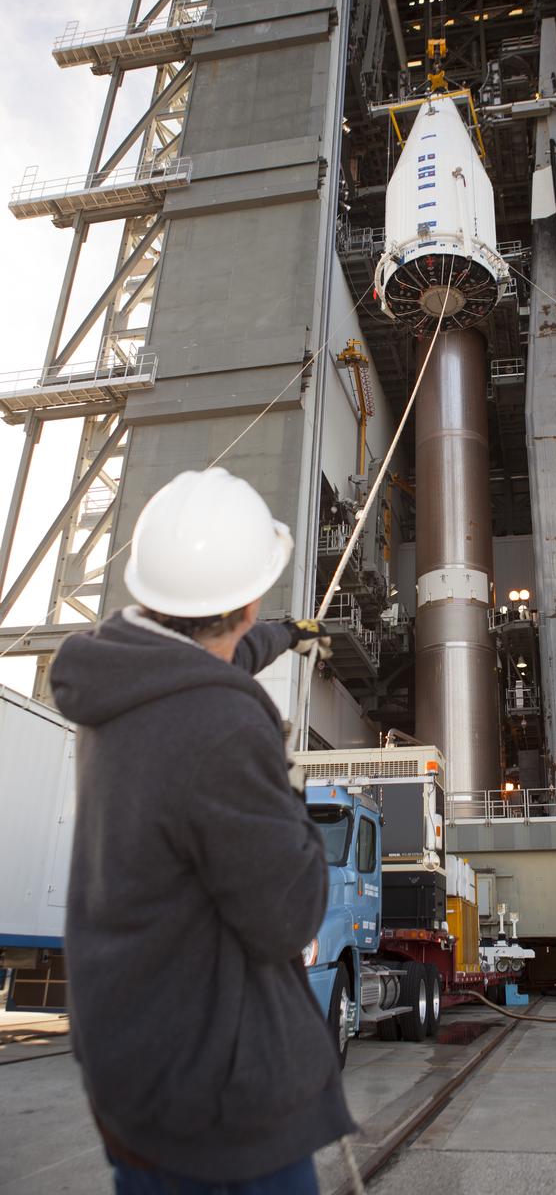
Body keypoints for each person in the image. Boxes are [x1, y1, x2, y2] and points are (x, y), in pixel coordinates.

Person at [50, 468, 354, 1194]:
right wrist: (289, 796)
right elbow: (288, 918)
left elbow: (212, 657)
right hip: (216, 1102)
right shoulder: (220, 726)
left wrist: (286, 635)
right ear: (246, 602)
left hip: (129, 1068)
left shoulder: (118, 680)